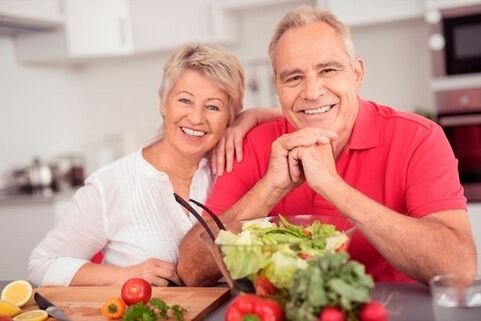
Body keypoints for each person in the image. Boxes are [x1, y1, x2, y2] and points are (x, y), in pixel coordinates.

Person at [177, 5, 477, 286]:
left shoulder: (418, 138)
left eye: (328, 70)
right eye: (293, 77)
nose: (311, 91)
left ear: (357, 74)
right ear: (277, 87)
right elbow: (192, 270)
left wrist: (333, 187)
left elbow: (458, 271)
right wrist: (272, 186)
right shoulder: (253, 144)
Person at [28, 43, 281, 287]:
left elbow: (298, 117)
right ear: (163, 102)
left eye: (213, 107)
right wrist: (123, 276)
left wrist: (251, 116)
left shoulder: (232, 164)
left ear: (231, 115)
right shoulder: (110, 184)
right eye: (184, 100)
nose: (195, 117)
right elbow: (41, 265)